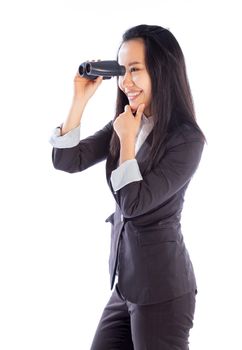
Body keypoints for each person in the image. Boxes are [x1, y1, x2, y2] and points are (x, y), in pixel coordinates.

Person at [50, 24, 205, 350]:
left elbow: (134, 204)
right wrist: (80, 101)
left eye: (135, 70)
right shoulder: (128, 120)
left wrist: (127, 141)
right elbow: (67, 161)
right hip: (127, 286)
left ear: (161, 71)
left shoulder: (186, 140)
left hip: (163, 293)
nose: (125, 81)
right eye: (122, 70)